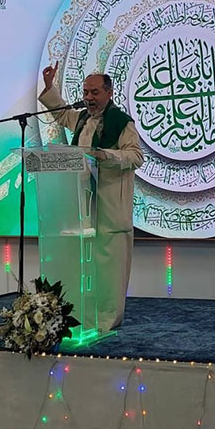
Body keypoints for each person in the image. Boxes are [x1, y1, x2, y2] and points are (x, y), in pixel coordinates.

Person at [40, 62, 144, 331]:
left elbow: (136, 156)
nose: (89, 97)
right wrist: (50, 87)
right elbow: (62, 115)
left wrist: (104, 155)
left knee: (109, 268)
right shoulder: (82, 119)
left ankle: (108, 321)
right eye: (86, 92)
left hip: (110, 206)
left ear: (109, 93)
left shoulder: (122, 123)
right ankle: (83, 319)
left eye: (95, 92)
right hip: (81, 205)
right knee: (84, 266)